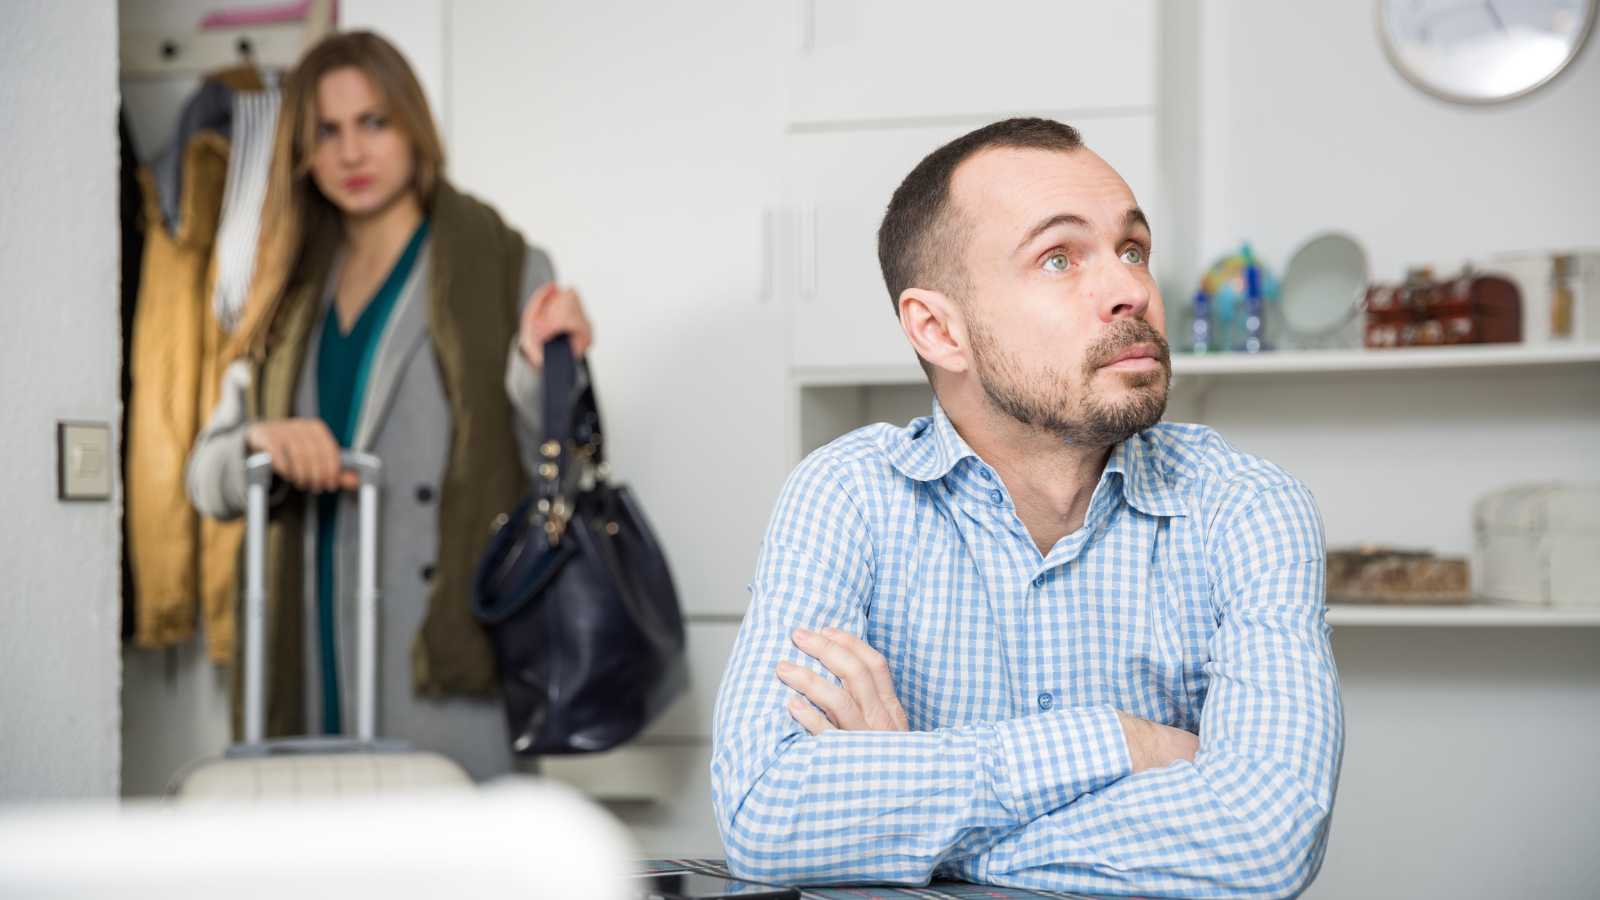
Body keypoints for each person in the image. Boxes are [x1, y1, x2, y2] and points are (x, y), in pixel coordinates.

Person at [710, 118, 1343, 895]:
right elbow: (766, 815)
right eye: (1059, 258)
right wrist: (1120, 742)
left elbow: (1265, 839)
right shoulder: (846, 495)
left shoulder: (1245, 508)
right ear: (939, 329)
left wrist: (910, 820)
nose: (1133, 290)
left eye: (1132, 248)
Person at [187, 31, 593, 780]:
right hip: (306, 653)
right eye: (327, 131)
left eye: (373, 122)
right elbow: (203, 478)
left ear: (413, 127)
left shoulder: (506, 265)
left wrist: (550, 369)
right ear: (303, 151)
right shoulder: (282, 285)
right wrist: (260, 443)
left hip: (443, 660)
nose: (352, 152)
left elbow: (559, 470)